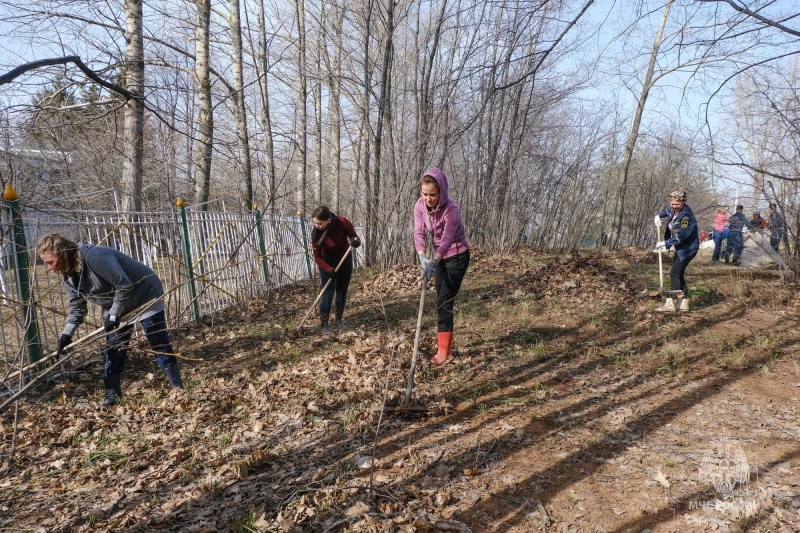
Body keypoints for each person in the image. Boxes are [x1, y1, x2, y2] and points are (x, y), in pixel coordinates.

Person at [37, 234, 183, 408]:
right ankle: (111, 395)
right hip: (118, 303)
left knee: (157, 341)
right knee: (113, 348)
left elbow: (124, 284)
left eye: (51, 262)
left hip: (145, 295)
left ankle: (178, 389)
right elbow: (77, 308)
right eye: (46, 263)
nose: (49, 268)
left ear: (64, 253)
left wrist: (113, 314)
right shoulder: (69, 275)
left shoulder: (94, 256)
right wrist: (66, 335)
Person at [414, 167, 470, 366]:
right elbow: (419, 232)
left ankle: (444, 352)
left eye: (433, 195)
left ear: (442, 192)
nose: (428, 198)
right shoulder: (420, 205)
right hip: (438, 258)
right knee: (441, 300)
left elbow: (446, 240)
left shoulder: (451, 209)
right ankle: (446, 345)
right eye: (425, 194)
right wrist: (422, 257)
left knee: (444, 302)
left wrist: (434, 261)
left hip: (457, 256)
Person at [310, 206, 361, 333]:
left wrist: (355, 242)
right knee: (327, 293)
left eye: (320, 223)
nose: (317, 226)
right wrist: (329, 269)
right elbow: (317, 257)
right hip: (326, 262)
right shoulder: (316, 233)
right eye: (315, 223)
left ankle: (338, 320)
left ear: (328, 220)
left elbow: (355, 238)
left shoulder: (342, 222)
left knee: (341, 291)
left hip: (344, 260)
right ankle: (324, 326)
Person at [654, 191, 699, 312]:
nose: (674, 206)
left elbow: (681, 236)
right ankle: (683, 303)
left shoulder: (686, 217)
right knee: (679, 274)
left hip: (687, 249)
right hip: (680, 248)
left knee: (674, 274)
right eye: (672, 203)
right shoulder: (674, 210)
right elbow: (667, 211)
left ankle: (671, 304)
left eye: (677, 204)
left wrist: (665, 243)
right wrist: (658, 215)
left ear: (683, 202)